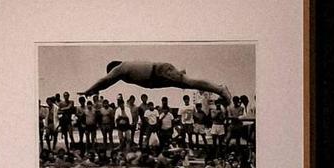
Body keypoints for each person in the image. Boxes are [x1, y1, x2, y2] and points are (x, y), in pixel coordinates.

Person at [76, 58, 230, 102]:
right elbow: (106, 84)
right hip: (157, 78)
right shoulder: (125, 69)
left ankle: (220, 89)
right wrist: (96, 90)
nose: (115, 79)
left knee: (188, 83)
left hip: (158, 72)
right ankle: (218, 89)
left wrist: (89, 90)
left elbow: (105, 81)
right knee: (186, 84)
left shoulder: (120, 68)